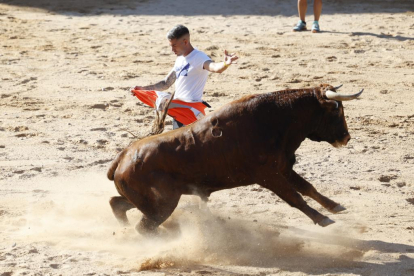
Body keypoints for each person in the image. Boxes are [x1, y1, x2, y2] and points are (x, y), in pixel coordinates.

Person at [131, 24, 238, 129]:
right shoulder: (180, 59)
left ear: (185, 42)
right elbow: (166, 83)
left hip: (191, 111)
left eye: (174, 45)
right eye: (170, 46)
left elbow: (214, 67)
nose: (172, 49)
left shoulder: (199, 57)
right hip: (178, 110)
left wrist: (225, 64)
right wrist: (143, 89)